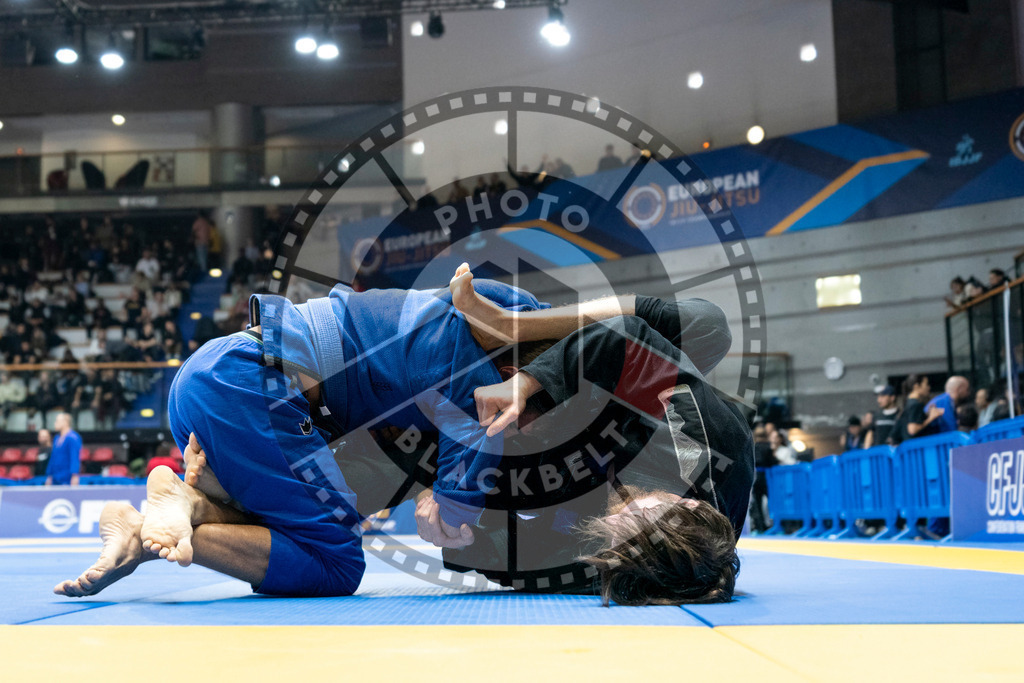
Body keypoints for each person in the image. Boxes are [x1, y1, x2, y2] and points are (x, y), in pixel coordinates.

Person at [57, 268, 751, 605]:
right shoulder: (710, 448)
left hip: (295, 410)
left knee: (333, 517)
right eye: (634, 512)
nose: (615, 514)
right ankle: (178, 501)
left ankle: (177, 500)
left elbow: (519, 560)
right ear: (686, 504)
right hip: (255, 381)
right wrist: (529, 379)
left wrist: (456, 531)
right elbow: (648, 332)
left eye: (617, 533)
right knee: (336, 564)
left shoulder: (623, 553)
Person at [892, 374, 944, 444]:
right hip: (916, 448)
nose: (928, 387)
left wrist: (927, 415)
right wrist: (931, 417)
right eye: (926, 384)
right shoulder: (915, 404)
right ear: (916, 386)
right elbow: (912, 429)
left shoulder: (908, 403)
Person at [46, 412, 81, 486]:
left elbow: (74, 457)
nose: (55, 423)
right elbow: (53, 458)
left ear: (65, 422)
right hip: (55, 477)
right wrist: (49, 475)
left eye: (57, 421)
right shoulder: (56, 438)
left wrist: (74, 475)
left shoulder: (73, 437)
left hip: (67, 477)